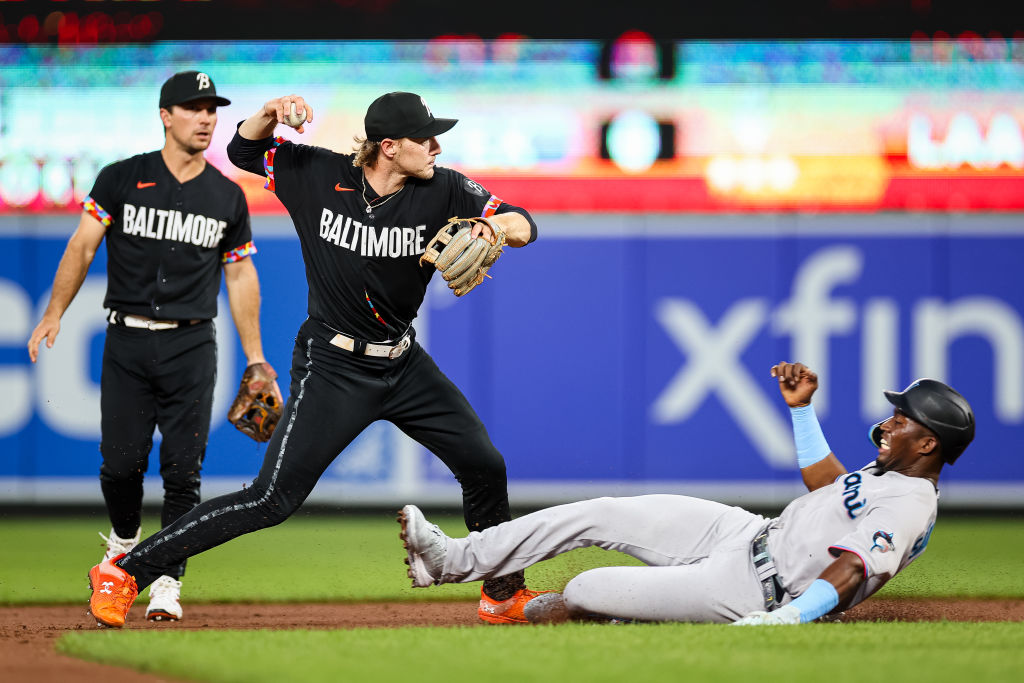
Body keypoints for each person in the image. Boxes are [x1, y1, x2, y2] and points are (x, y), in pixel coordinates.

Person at [84, 91, 540, 628]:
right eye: (426, 137)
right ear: (389, 147)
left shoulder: (444, 188)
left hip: (402, 363)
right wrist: (271, 113)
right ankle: (124, 571)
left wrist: (493, 228)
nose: (437, 146)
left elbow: (524, 222)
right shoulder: (315, 173)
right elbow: (243, 152)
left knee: (485, 465)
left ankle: (503, 593)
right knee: (272, 498)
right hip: (333, 366)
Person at [398, 362, 975, 625]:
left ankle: (534, 615)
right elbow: (830, 487)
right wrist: (802, 414)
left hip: (751, 587)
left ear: (927, 444)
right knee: (601, 512)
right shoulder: (889, 479)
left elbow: (853, 568)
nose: (889, 421)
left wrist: (791, 619)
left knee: (586, 588)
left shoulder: (910, 503)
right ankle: (450, 560)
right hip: (745, 531)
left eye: (901, 419)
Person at [28, 70, 280, 623]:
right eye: (194, 107)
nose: (207, 118)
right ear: (166, 115)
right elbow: (82, 246)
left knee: (182, 471)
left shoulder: (226, 195)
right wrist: (53, 312)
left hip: (192, 345)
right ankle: (122, 542)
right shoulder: (121, 179)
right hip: (127, 341)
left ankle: (167, 579)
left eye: (212, 108)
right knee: (120, 466)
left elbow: (240, 278)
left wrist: (257, 356)